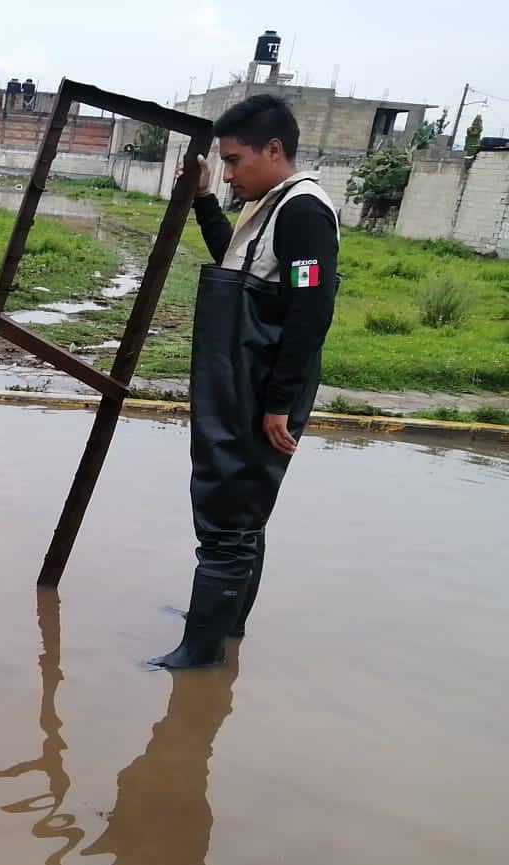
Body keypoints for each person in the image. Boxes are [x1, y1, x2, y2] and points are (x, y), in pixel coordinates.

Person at [152, 95, 340, 669]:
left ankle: (200, 654)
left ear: (274, 149)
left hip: (260, 388)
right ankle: (222, 624)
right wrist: (206, 198)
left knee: (227, 516)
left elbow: (312, 307)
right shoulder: (272, 205)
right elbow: (236, 266)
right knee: (243, 512)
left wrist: (279, 403)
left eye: (234, 162)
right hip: (245, 382)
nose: (230, 173)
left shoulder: (304, 212)